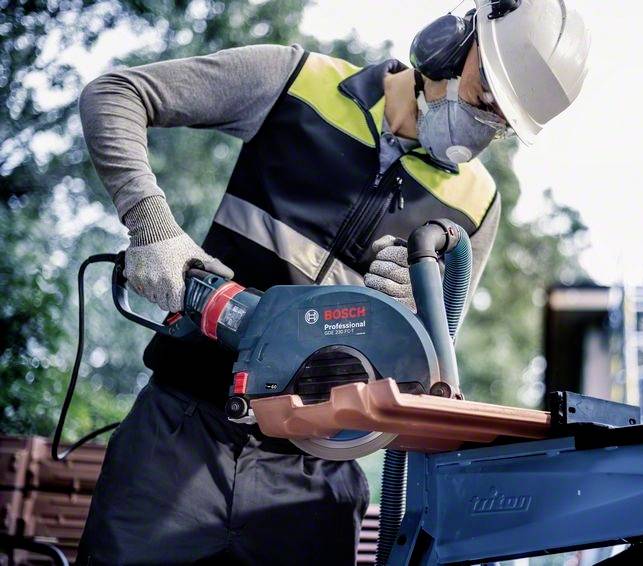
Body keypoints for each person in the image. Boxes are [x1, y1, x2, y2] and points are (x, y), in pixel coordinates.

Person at [76, 0, 589, 563]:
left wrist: (409, 316)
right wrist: (152, 226)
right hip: (181, 435)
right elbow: (115, 94)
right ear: (450, 44)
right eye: (482, 99)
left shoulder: (476, 206)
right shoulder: (298, 82)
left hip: (314, 482)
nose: (481, 130)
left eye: (502, 124)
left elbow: (431, 373)